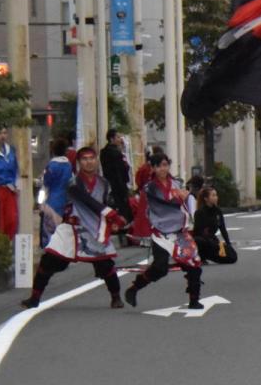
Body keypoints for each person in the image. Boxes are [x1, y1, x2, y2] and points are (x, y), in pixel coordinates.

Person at [21, 147, 126, 309]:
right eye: (84, 159)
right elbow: (87, 200)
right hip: (71, 227)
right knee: (48, 260)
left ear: (96, 160)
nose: (88, 162)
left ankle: (116, 297)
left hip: (93, 229)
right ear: (78, 162)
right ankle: (35, 297)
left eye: (91, 158)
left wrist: (115, 217)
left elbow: (107, 202)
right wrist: (111, 214)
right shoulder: (73, 182)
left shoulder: (104, 183)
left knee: (105, 265)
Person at [123, 153, 204, 309]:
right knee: (160, 268)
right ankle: (134, 288)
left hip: (180, 231)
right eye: (159, 165)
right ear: (153, 168)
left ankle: (194, 299)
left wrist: (185, 198)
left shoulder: (176, 183)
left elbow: (184, 199)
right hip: (161, 231)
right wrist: (179, 196)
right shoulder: (150, 187)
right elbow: (166, 198)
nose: (163, 168)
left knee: (193, 264)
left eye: (165, 165)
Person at [39, 137, 73, 247]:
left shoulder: (52, 166)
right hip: (65, 200)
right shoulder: (68, 165)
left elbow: (46, 183)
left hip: (51, 200)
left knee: (49, 231)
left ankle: (50, 251)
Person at [193, 186, 238, 265]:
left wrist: (228, 243)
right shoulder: (199, 212)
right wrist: (211, 242)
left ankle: (212, 255)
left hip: (214, 240)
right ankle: (203, 256)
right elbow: (198, 232)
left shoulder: (217, 211)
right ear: (206, 198)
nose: (216, 197)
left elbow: (223, 228)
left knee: (232, 257)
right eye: (213, 195)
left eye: (216, 195)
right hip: (203, 241)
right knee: (199, 240)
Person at [0, 127, 19, 239]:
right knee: (0, 221)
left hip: (10, 189)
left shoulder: (10, 150)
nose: (2, 136)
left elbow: (16, 168)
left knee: (11, 220)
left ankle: (8, 244)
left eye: (4, 133)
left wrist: (16, 184)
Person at [100, 128, 132, 222]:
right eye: (117, 137)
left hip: (110, 184)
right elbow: (120, 171)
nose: (120, 139)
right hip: (118, 186)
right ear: (111, 139)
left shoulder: (104, 152)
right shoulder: (115, 153)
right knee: (123, 210)